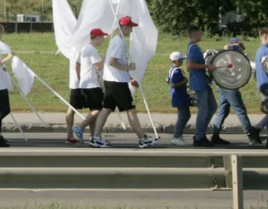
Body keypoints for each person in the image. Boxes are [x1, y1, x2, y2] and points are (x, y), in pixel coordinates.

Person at [90, 16, 158, 148]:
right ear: (125, 28)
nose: (132, 31)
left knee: (107, 108)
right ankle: (142, 139)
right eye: (131, 28)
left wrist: (129, 76)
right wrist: (129, 67)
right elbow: (112, 62)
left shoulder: (114, 40)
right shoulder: (119, 42)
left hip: (110, 80)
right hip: (118, 82)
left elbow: (112, 61)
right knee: (130, 109)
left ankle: (95, 138)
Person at [210, 38, 261, 146]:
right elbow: (227, 48)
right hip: (228, 86)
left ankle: (215, 135)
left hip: (225, 84)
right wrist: (233, 50)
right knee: (240, 110)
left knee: (223, 110)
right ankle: (251, 135)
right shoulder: (229, 54)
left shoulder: (236, 56)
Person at [71, 28, 107, 145]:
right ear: (98, 37)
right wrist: (106, 56)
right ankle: (80, 127)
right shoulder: (91, 50)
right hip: (91, 84)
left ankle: (94, 137)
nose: (103, 40)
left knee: (93, 111)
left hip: (86, 84)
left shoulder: (86, 48)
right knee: (100, 108)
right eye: (102, 37)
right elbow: (99, 66)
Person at [186, 25, 217, 147]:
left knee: (212, 106)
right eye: (200, 34)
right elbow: (190, 65)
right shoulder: (193, 48)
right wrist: (206, 67)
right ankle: (199, 136)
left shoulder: (194, 47)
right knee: (203, 110)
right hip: (198, 82)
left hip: (202, 81)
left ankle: (201, 132)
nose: (201, 36)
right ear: (194, 35)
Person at [167, 52, 189, 146]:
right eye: (181, 60)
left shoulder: (172, 69)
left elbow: (168, 80)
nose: (182, 61)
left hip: (177, 95)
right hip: (179, 96)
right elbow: (173, 84)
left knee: (186, 115)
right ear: (176, 60)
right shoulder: (177, 71)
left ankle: (179, 135)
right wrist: (184, 81)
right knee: (183, 115)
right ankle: (176, 136)